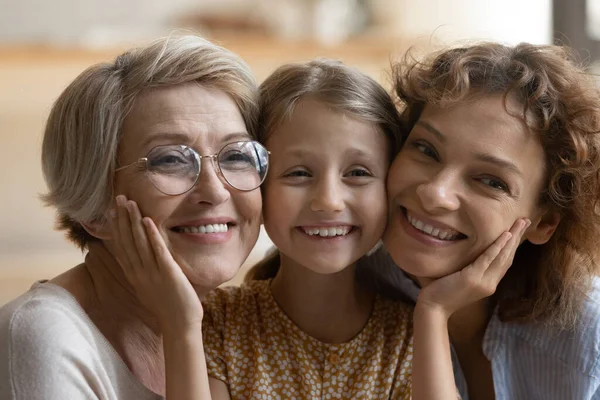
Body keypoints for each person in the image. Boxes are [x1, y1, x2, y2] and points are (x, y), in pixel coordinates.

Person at [0, 34, 270, 400]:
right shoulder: (42, 335)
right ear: (96, 207)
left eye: (236, 156)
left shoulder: (235, 330)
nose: (216, 191)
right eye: (171, 159)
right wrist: (182, 327)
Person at [360, 42, 600, 399]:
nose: (435, 193)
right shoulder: (348, 294)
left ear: (544, 222)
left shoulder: (587, 341)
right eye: (426, 149)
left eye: (491, 181)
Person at [198, 58, 418, 399]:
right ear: (257, 184)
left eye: (358, 173)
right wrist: (180, 324)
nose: (329, 200)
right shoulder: (215, 321)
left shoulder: (409, 335)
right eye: (299, 173)